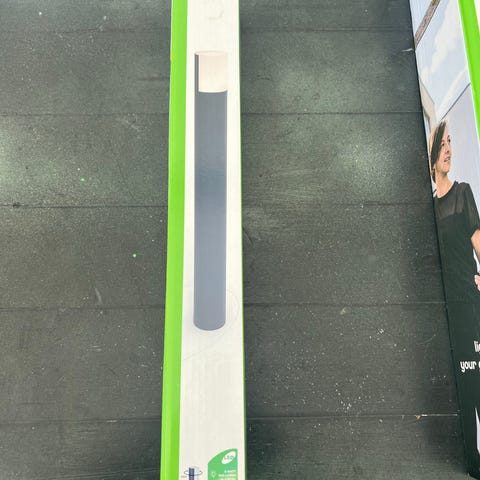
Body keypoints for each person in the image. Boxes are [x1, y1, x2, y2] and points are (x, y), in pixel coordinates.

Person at [430, 119, 480, 474]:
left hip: (472, 303)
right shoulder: (430, 209)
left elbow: (478, 242)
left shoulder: (463, 193)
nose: (448, 149)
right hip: (449, 312)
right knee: (464, 386)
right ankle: (473, 463)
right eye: (442, 144)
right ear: (433, 155)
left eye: (450, 142)